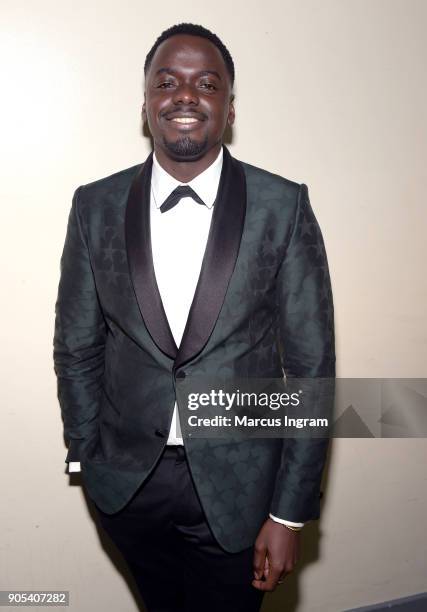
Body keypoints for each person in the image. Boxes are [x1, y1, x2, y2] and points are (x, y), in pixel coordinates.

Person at [53, 22, 335, 612]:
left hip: (241, 488)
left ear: (229, 108)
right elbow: (77, 344)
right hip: (128, 487)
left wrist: (289, 511)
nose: (185, 96)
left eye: (207, 83)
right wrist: (86, 451)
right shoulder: (94, 205)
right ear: (147, 104)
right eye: (168, 82)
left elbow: (311, 368)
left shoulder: (283, 206)